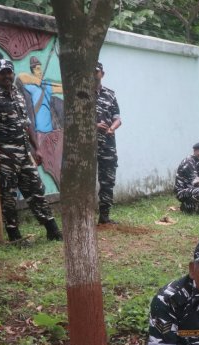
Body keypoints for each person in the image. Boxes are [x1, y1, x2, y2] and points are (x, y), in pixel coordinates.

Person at [0, 59, 62, 242]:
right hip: (6, 157)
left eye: (9, 72)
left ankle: (52, 229)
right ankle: (14, 236)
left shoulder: (18, 96)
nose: (7, 76)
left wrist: (37, 149)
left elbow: (27, 125)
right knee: (8, 199)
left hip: (25, 155)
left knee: (37, 190)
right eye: (2, 73)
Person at [94, 62, 121, 224]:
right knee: (85, 180)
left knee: (108, 179)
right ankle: (83, 216)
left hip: (108, 143)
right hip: (88, 144)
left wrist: (112, 128)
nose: (92, 75)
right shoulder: (82, 94)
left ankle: (104, 216)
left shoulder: (110, 94)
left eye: (95, 72)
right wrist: (94, 125)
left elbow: (118, 118)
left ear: (102, 74)